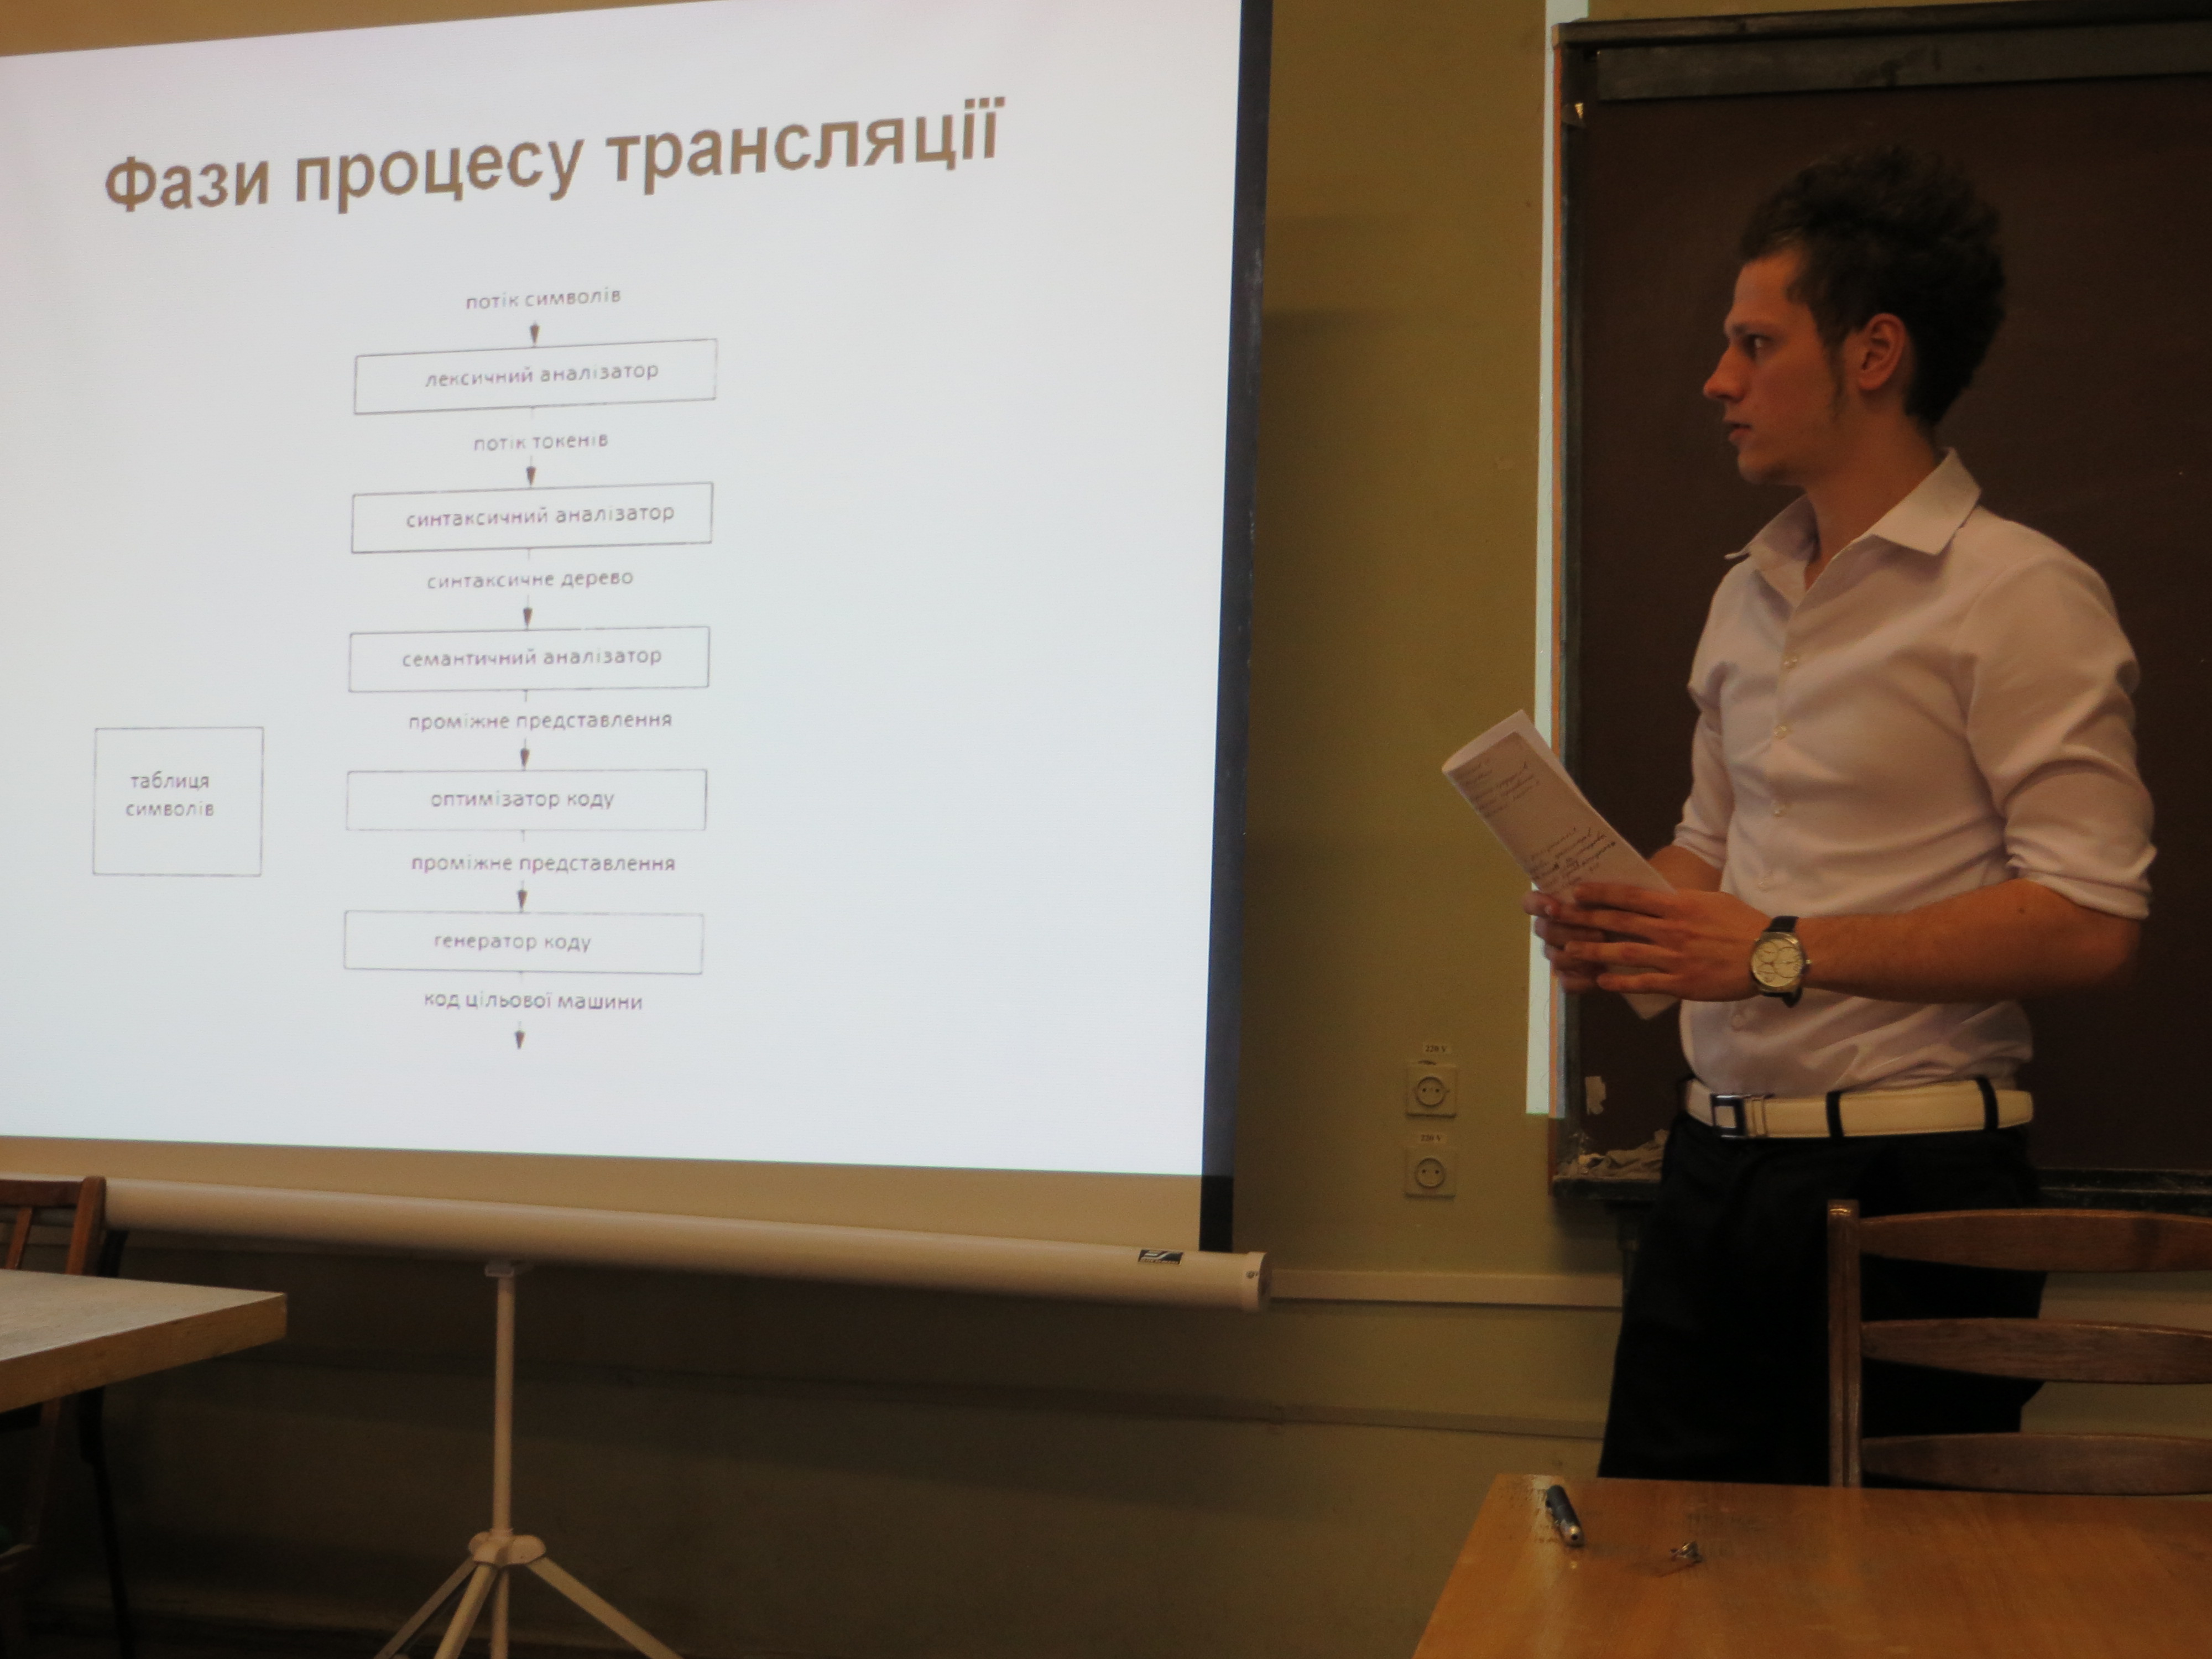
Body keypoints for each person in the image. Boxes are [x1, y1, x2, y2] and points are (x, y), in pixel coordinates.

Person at [1526, 145, 2154, 1485]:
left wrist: (1774, 952)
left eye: (1754, 344)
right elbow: (1710, 850)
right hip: (1709, 1174)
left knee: (1893, 1581)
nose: (1717, 381)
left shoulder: (2019, 594)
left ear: (1873, 353)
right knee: (1662, 1562)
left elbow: (2089, 920)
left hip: (1915, 1188)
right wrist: (1629, 919)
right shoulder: (1743, 591)